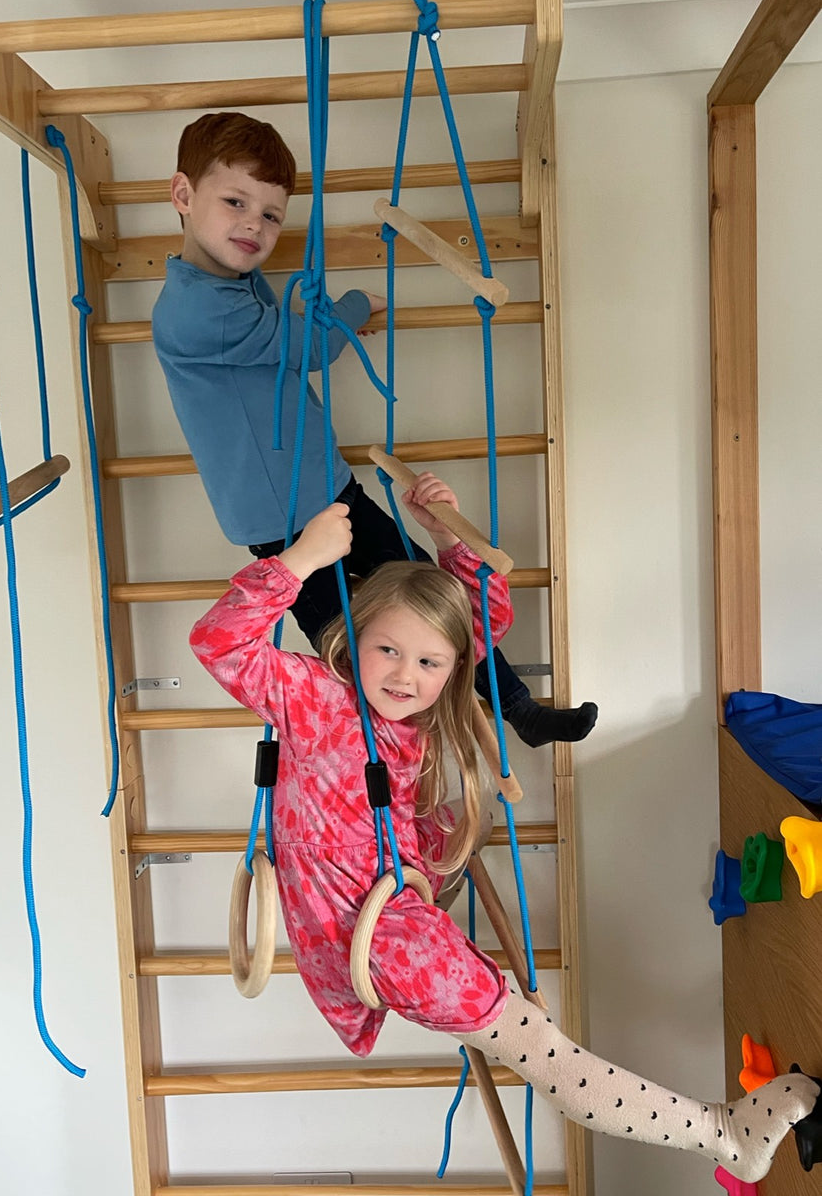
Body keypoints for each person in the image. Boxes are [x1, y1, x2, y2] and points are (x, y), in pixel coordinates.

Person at [190, 472, 819, 1185]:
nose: (405, 676)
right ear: (356, 634)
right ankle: (720, 1133)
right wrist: (300, 561)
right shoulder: (313, 696)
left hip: (393, 908)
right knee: (542, 1050)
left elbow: (479, 619)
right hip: (370, 932)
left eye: (429, 663)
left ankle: (720, 1132)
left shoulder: (422, 719)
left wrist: (445, 533)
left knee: (542, 1046)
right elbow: (219, 642)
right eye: (388, 650)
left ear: (454, 670)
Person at [153, 110, 598, 750]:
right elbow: (304, 348)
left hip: (332, 490)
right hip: (286, 526)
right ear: (183, 196)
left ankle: (518, 709)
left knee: (433, 602)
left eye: (272, 214)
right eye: (234, 202)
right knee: (351, 646)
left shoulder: (234, 283)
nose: (254, 223)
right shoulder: (196, 309)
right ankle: (392, 759)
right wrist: (352, 309)